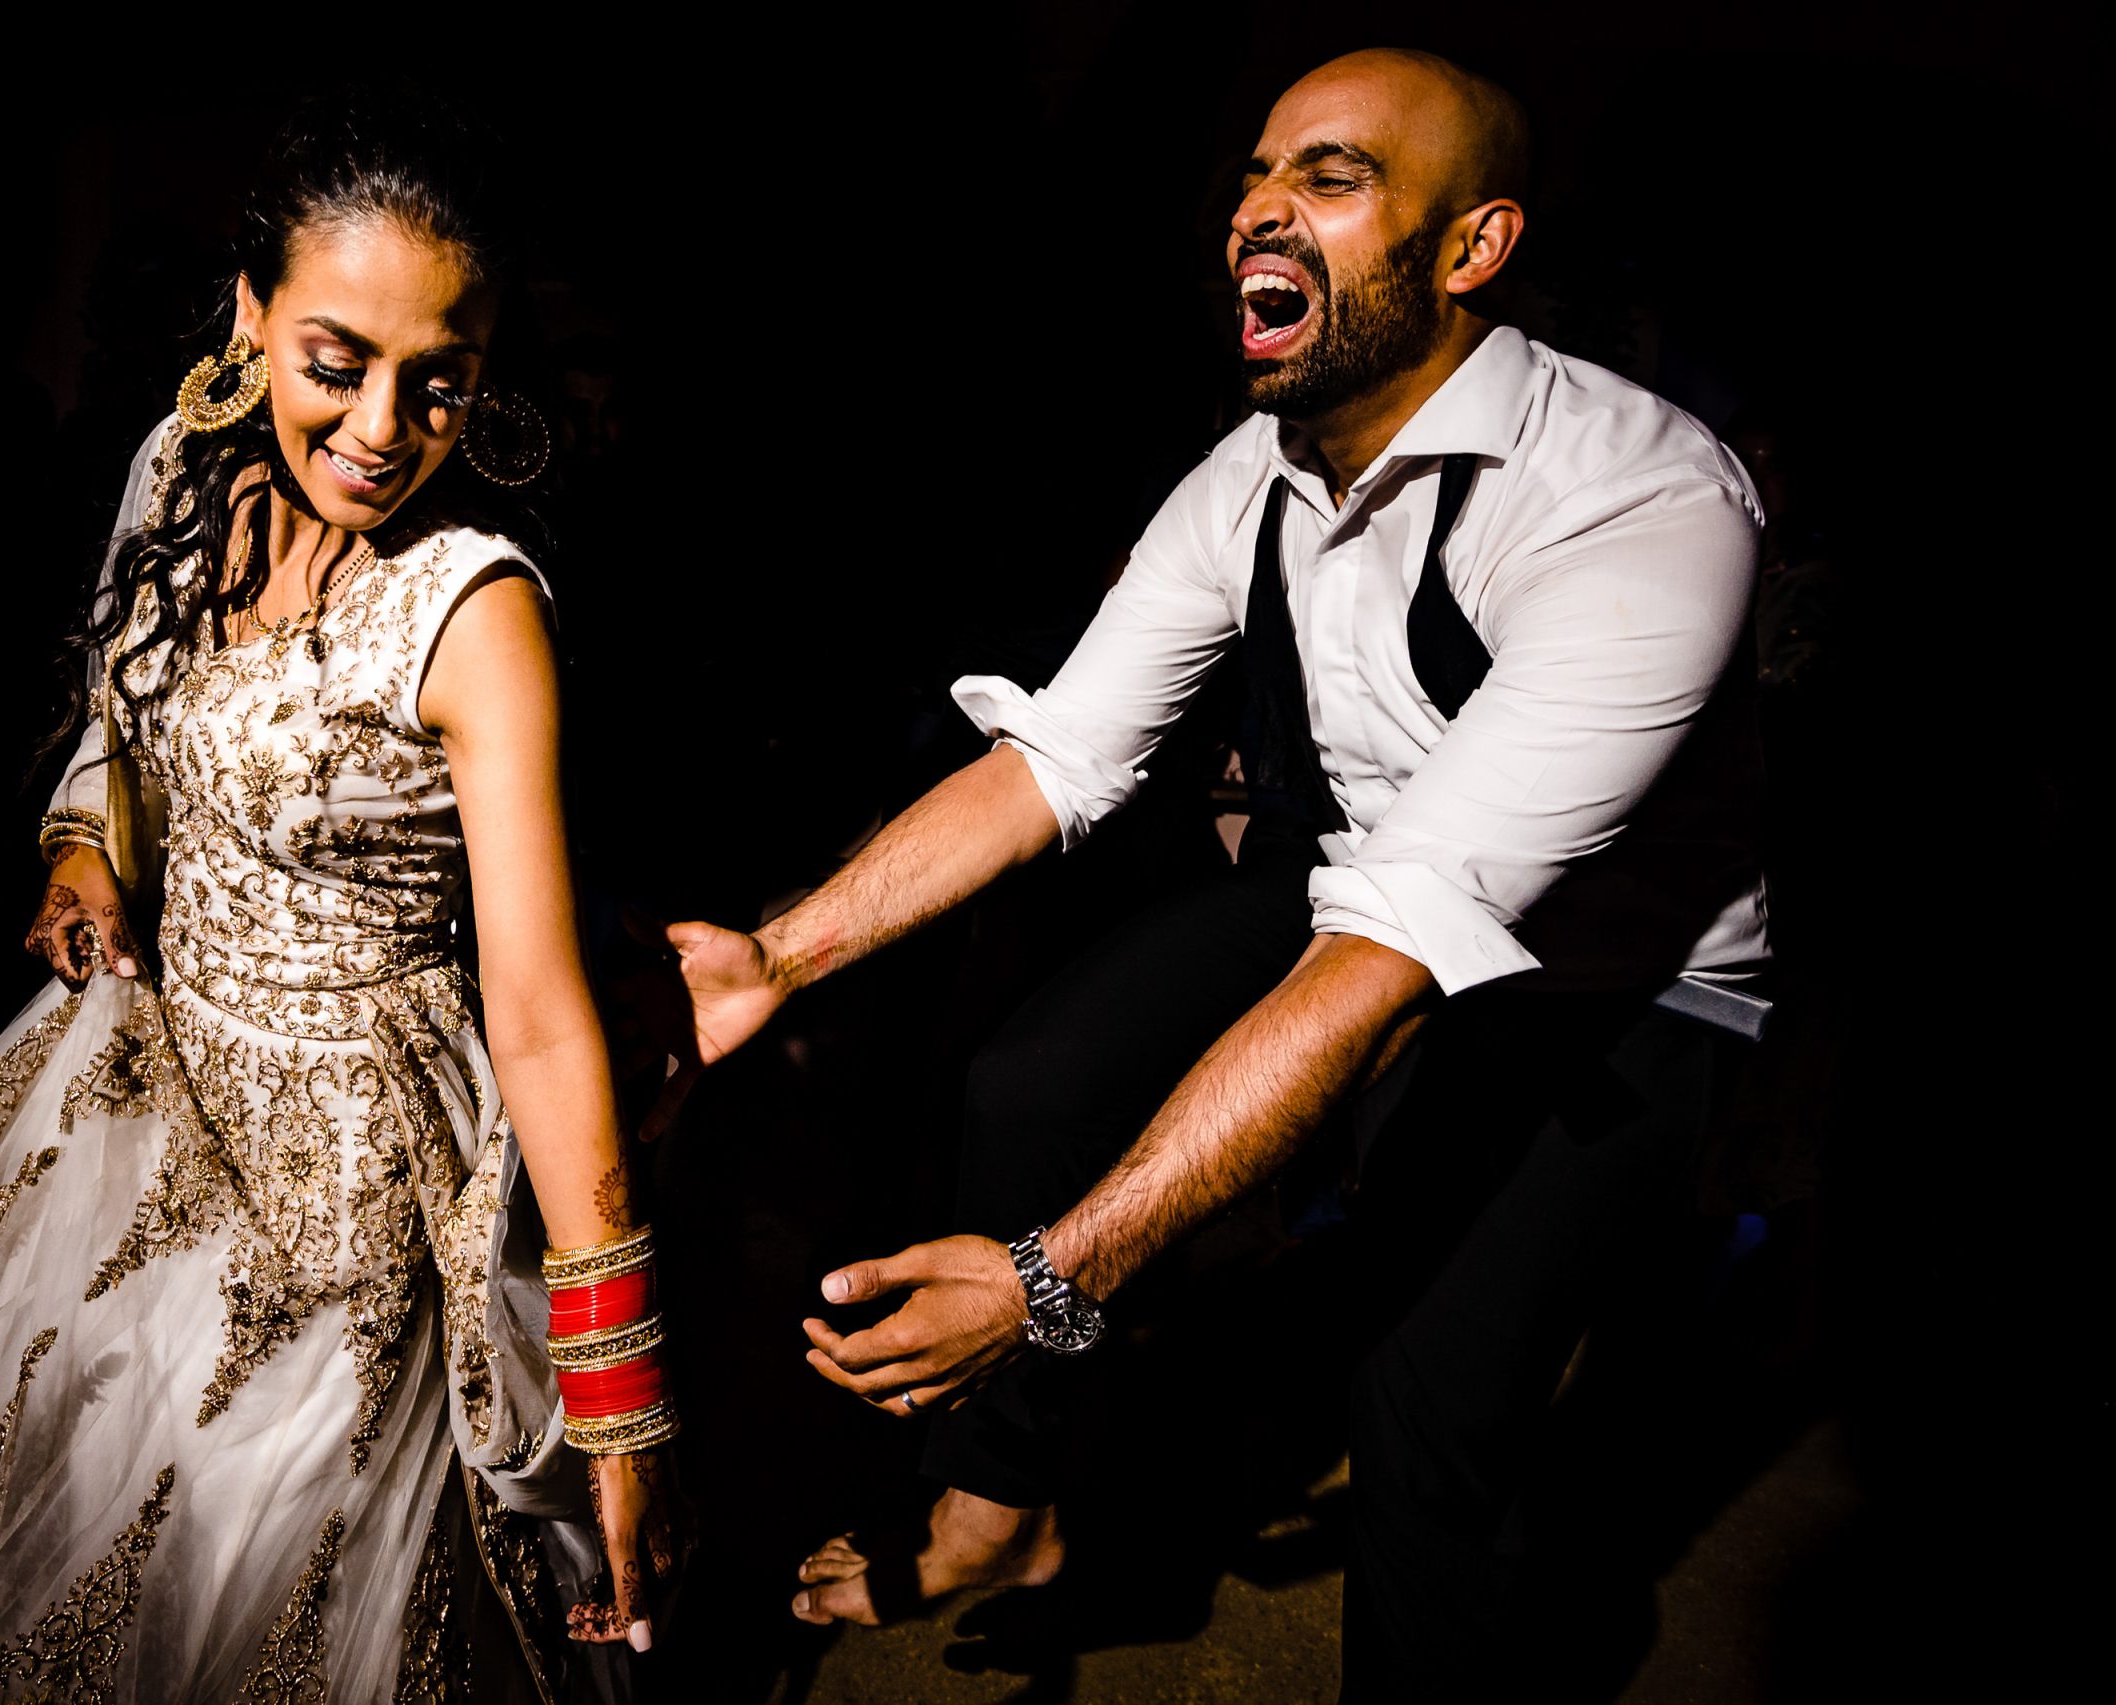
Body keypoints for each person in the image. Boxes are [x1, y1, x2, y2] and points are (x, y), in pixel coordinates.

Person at [652, 48, 1766, 1698]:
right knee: (1034, 1081)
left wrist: (1050, 1280)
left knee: (1424, 1408)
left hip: (1604, 992)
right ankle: (1001, 1509)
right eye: (1257, 173)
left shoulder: (1637, 498)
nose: (1261, 205)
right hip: (1356, 882)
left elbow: (1396, 955)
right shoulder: (1250, 473)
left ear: (1473, 246)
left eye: (1333, 175)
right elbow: (1056, 760)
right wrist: (778, 955)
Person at [0, 89, 683, 1703]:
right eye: (337, 362)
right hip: (137, 1104)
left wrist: (617, 1398)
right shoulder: (187, 474)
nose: (382, 428)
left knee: (244, 1564)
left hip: (347, 1195)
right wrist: (86, 850)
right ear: (252, 313)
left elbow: (541, 1020)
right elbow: (119, 724)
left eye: (440, 381)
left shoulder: (475, 614)